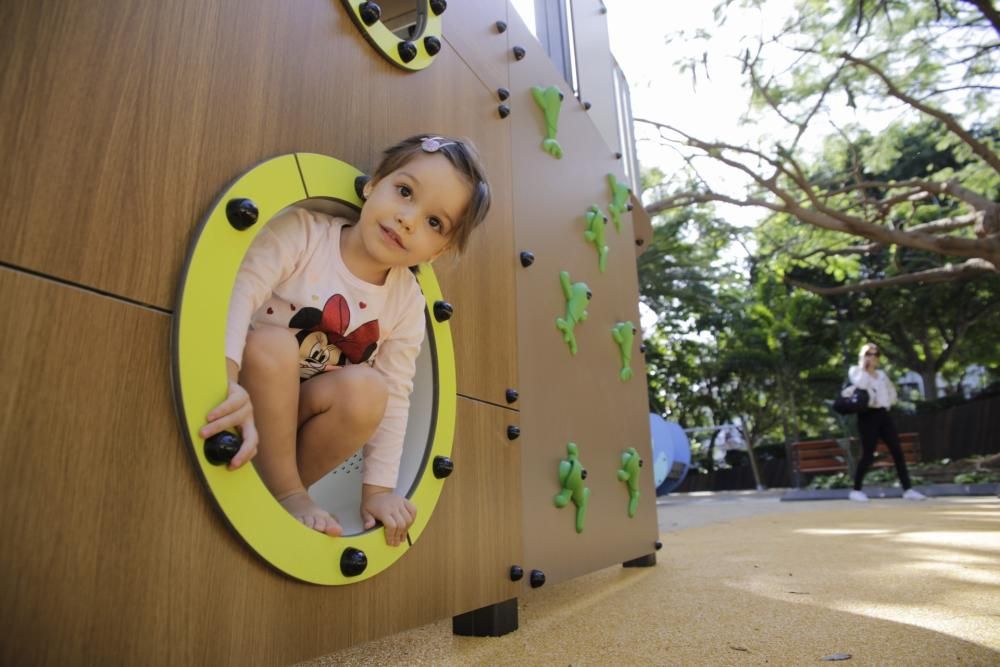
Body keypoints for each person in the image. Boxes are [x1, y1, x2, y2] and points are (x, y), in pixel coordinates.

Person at [198, 135, 491, 544]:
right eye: (404, 192)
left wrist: (378, 491)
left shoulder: (407, 302)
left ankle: (282, 489)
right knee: (274, 344)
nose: (408, 218)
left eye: (433, 222)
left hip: (297, 420)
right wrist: (223, 378)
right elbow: (240, 291)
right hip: (248, 390)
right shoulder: (304, 234)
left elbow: (397, 394)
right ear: (373, 185)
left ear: (436, 253)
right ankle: (287, 492)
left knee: (372, 390)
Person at [846, 343, 926, 502]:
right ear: (863, 355)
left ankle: (908, 489)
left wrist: (888, 402)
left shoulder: (881, 374)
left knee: (897, 451)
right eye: (869, 354)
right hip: (867, 416)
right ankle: (856, 490)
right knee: (868, 454)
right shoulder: (855, 371)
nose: (873, 357)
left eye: (876, 354)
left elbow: (891, 391)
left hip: (883, 414)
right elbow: (861, 384)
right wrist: (864, 367)